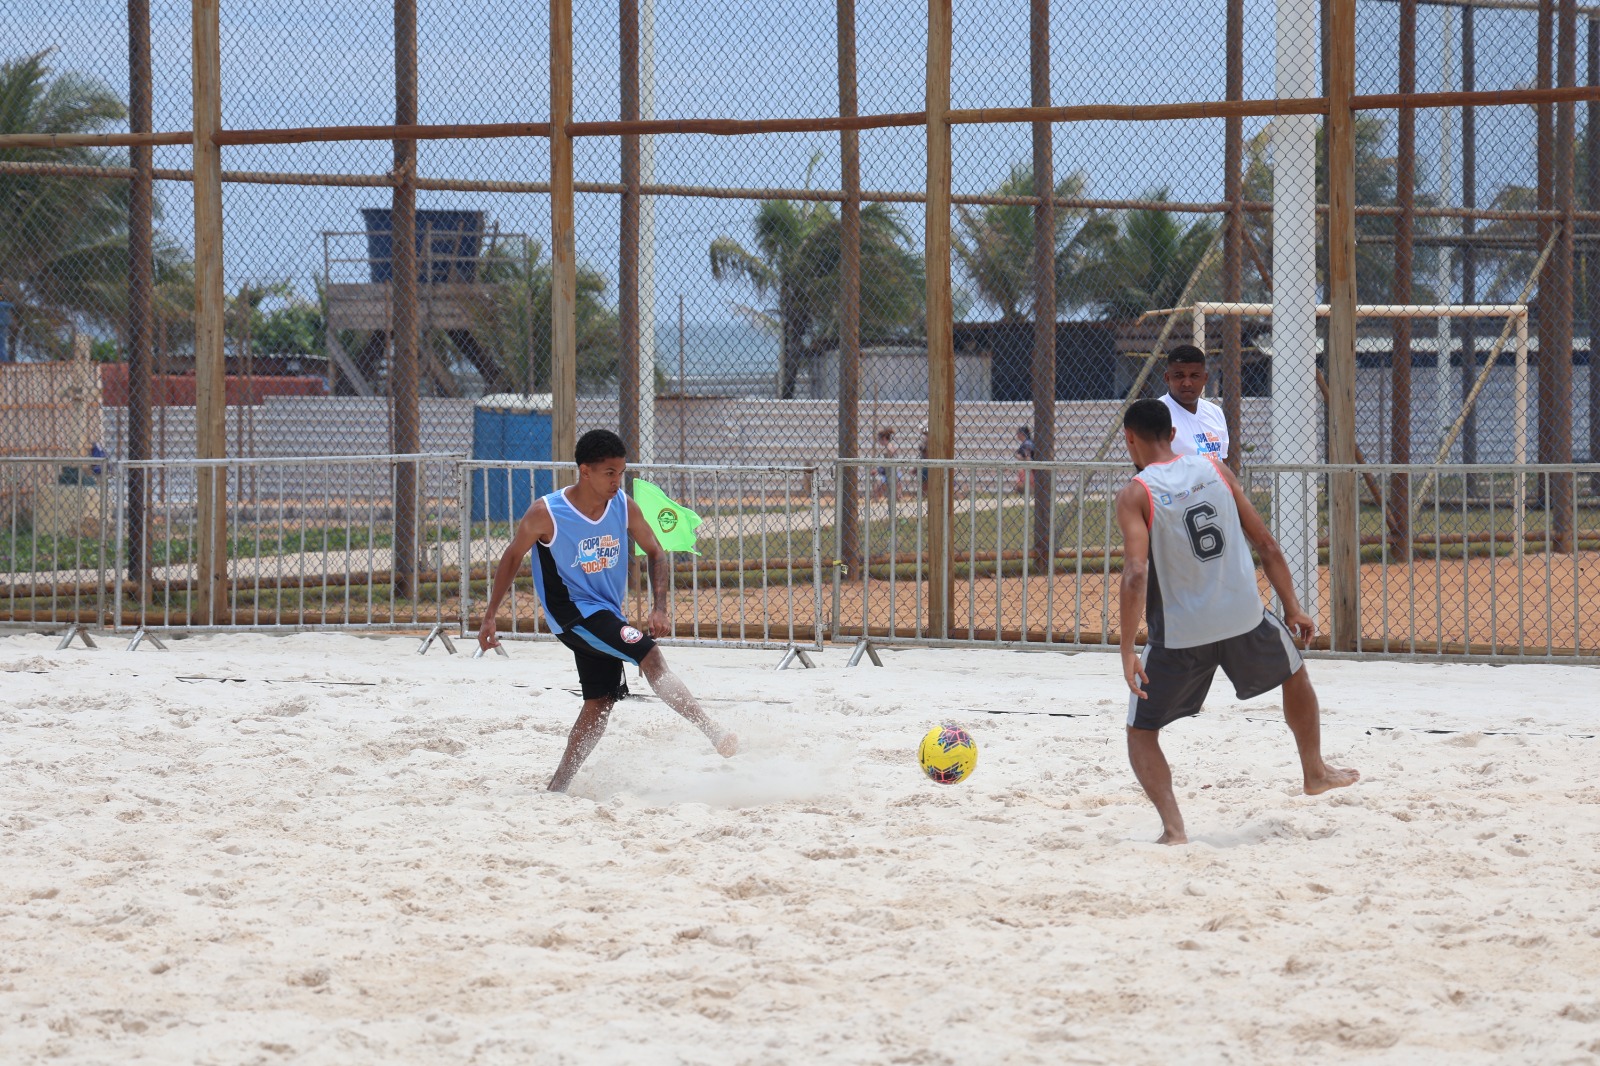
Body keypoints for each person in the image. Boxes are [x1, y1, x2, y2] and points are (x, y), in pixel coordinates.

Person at [1113, 398, 1357, 844]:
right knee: (1295, 676)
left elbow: (1135, 573)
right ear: (1172, 434)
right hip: (1244, 616)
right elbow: (1266, 543)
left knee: (1141, 731)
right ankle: (1315, 771)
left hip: (1181, 631)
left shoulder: (1136, 493)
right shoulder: (1215, 470)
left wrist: (1129, 648)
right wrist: (1294, 607)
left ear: (1130, 440)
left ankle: (1174, 828)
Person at [477, 428, 738, 792]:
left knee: (600, 702)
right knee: (648, 654)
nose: (618, 481)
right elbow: (511, 557)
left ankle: (558, 788)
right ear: (585, 471)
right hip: (572, 614)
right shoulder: (547, 513)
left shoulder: (624, 506)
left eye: (622, 472)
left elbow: (656, 552)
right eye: (610, 473)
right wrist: (490, 614)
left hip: (604, 615)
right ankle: (714, 731)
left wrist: (660, 607)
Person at [1158, 344, 1229, 462]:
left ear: (1205, 378)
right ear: (1167, 377)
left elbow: (1223, 462)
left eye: (1194, 376)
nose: (1187, 383)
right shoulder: (1157, 415)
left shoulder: (1215, 413)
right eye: (1179, 376)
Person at [872, 427, 897, 500]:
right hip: (886, 471)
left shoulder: (889, 447)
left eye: (879, 439)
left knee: (878, 486)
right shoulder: (887, 446)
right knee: (878, 486)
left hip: (889, 472)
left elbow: (888, 461)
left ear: (883, 438)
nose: (879, 441)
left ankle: (877, 499)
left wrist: (878, 470)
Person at [1012, 425, 1036, 494]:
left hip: (1029, 468)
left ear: (1022, 434)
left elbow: (1028, 458)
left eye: (1018, 433)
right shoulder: (1028, 443)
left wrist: (1020, 457)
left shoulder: (1027, 444)